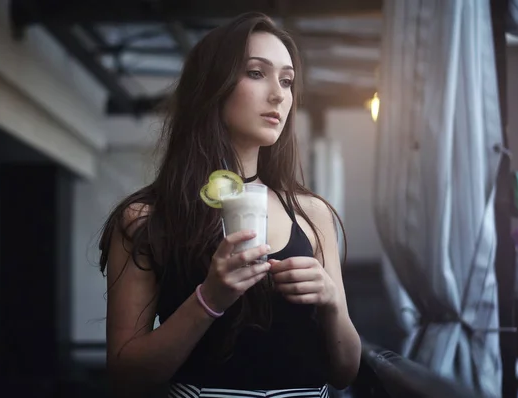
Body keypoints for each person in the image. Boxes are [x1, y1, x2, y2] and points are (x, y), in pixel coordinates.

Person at [98, 12, 361, 398]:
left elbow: (345, 372)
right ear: (211, 87)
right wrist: (209, 299)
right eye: (257, 73)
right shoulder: (146, 218)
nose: (279, 95)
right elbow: (125, 376)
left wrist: (333, 303)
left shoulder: (311, 214)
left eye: (287, 81)